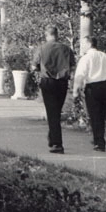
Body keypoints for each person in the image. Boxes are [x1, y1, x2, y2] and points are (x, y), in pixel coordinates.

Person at [32, 25, 75, 154]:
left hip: (48, 82)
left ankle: (57, 144)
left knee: (52, 112)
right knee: (56, 111)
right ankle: (52, 138)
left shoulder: (41, 48)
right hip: (62, 82)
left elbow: (34, 67)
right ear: (57, 35)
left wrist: (41, 69)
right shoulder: (66, 48)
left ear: (47, 35)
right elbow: (73, 66)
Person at [73, 36, 106, 152]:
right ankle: (99, 138)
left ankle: (99, 141)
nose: (82, 46)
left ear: (88, 44)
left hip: (93, 87)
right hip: (105, 86)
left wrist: (75, 91)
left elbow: (79, 75)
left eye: (83, 43)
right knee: (102, 114)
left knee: (94, 114)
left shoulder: (86, 58)